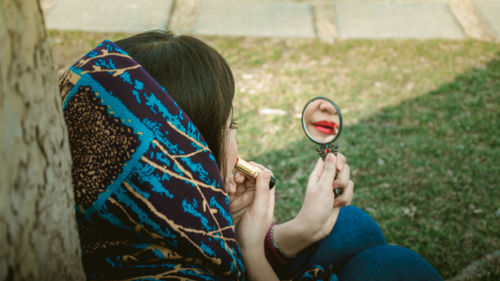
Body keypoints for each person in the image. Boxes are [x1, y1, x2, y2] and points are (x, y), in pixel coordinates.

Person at [59, 30, 443, 280]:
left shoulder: (120, 217)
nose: (236, 141)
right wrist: (253, 252)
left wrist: (282, 235)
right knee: (395, 267)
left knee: (351, 225)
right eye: (230, 127)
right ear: (185, 156)